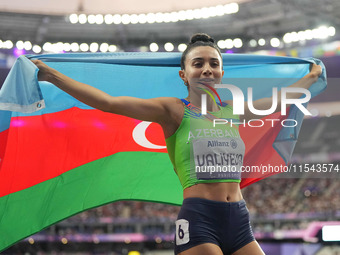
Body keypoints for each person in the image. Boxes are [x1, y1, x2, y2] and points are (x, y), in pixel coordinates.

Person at [31, 33, 322, 255]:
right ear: (184, 75)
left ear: (222, 73)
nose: (207, 69)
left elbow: (277, 101)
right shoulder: (173, 111)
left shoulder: (231, 111)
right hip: (200, 219)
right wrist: (53, 75)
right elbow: (109, 103)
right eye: (198, 64)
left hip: (240, 219)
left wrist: (310, 77)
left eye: (214, 64)